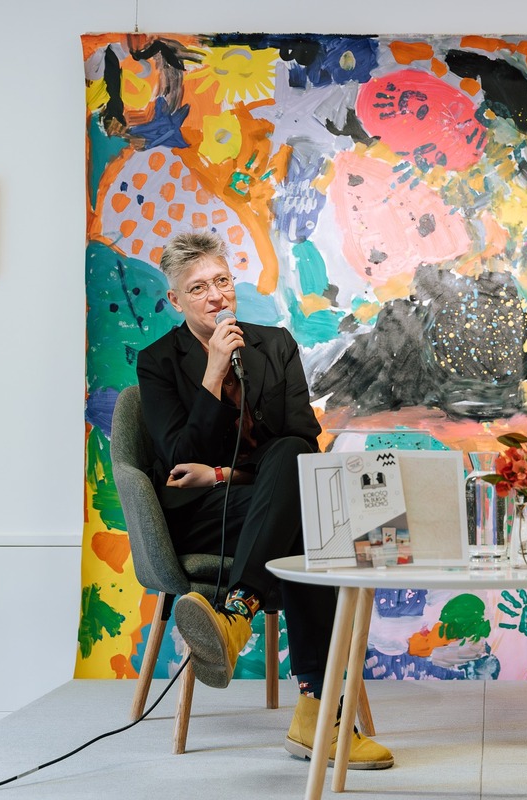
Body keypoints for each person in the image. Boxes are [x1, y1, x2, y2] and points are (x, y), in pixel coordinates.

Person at [136, 229, 393, 769]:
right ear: (176, 300)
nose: (216, 297)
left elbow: (302, 441)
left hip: (262, 498)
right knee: (311, 524)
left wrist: (223, 473)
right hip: (203, 516)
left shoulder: (275, 345)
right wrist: (212, 373)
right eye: (198, 288)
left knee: (293, 466)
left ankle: (237, 613)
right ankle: (319, 718)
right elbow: (180, 459)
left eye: (222, 281)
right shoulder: (158, 362)